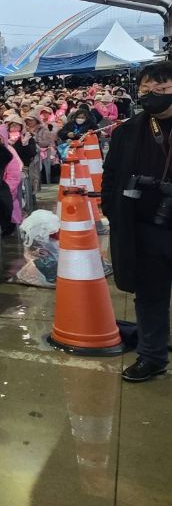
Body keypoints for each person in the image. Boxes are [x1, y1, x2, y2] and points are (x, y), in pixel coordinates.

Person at [103, 61, 172, 382]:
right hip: (144, 230)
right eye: (146, 89)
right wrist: (114, 212)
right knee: (150, 296)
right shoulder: (128, 132)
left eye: (161, 89)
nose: (152, 95)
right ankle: (152, 356)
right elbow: (111, 176)